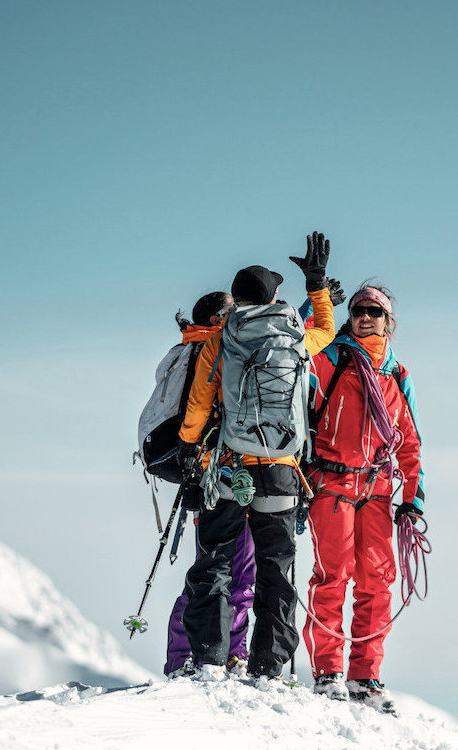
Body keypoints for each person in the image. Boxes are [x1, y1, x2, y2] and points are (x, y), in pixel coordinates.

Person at [176, 233, 336, 682]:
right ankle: (270, 665)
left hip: (228, 467)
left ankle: (209, 658)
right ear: (274, 298)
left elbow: (199, 405)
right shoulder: (297, 340)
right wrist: (317, 282)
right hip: (282, 470)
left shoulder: (220, 341)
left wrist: (190, 449)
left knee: (216, 562)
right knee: (276, 567)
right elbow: (327, 324)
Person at [302, 283, 424, 714]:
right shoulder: (328, 360)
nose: (365, 316)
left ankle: (365, 676)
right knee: (332, 575)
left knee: (377, 582)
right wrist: (314, 299)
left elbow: (409, 443)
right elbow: (292, 347)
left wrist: (413, 498)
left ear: (388, 321)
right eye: (357, 310)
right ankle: (328, 672)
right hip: (331, 483)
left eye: (374, 311)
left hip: (376, 489)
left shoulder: (395, 375)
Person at [163, 291, 257, 679]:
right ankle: (206, 653)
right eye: (232, 313)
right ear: (218, 318)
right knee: (224, 572)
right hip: (219, 477)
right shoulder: (208, 352)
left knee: (219, 571)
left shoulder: (198, 350)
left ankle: (209, 653)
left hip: (217, 475)